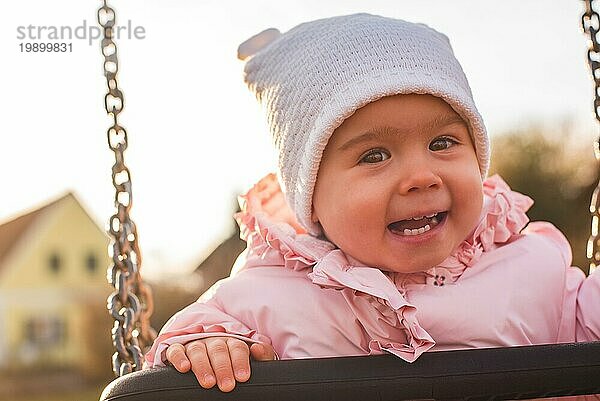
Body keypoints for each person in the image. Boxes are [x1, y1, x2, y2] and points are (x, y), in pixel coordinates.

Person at [144, 13, 600, 393]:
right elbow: (192, 338)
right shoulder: (261, 296)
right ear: (311, 199)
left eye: (442, 142)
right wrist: (206, 347)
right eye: (374, 155)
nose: (421, 176)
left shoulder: (534, 269)